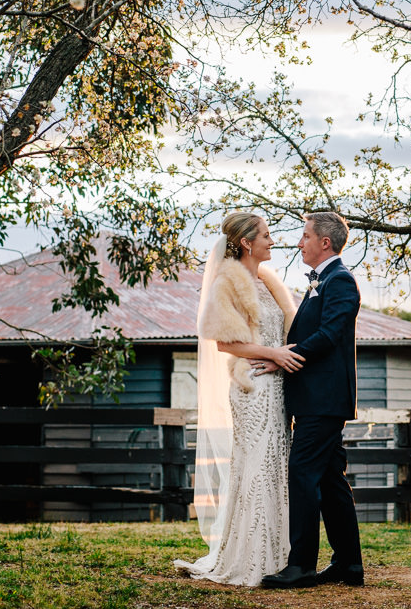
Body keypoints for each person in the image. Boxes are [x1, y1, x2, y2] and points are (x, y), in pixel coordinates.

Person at [174, 212, 302, 586]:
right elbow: (224, 342)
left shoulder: (268, 282)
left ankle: (279, 554)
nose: (272, 241)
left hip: (278, 385)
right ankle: (250, 557)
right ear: (246, 242)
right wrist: (274, 354)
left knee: (277, 464)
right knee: (257, 465)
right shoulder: (226, 283)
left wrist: (281, 358)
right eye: (266, 235)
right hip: (252, 386)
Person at [261, 212, 364, 589]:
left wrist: (286, 356)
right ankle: (348, 565)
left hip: (324, 400)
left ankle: (301, 565)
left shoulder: (340, 281)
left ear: (325, 242)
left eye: (305, 236)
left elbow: (330, 334)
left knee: (302, 476)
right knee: (332, 482)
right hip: (316, 400)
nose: (299, 242)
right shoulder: (322, 281)